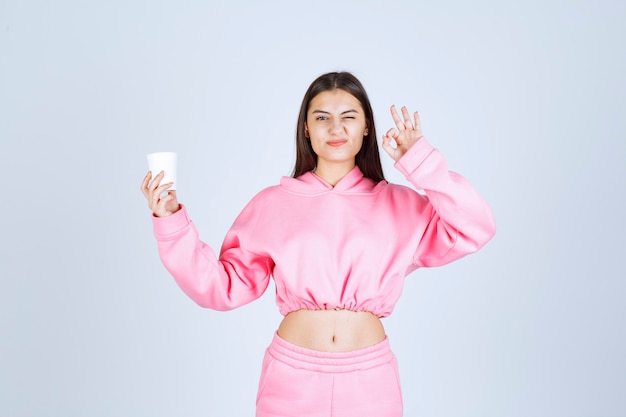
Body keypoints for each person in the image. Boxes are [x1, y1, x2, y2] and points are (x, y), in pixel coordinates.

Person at [140, 71, 496, 417]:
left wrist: (422, 164)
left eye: (349, 116)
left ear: (367, 126)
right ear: (306, 128)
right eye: (322, 117)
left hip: (369, 382)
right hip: (291, 381)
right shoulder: (272, 203)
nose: (336, 128)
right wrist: (171, 221)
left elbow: (475, 227)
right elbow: (220, 287)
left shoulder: (400, 205)